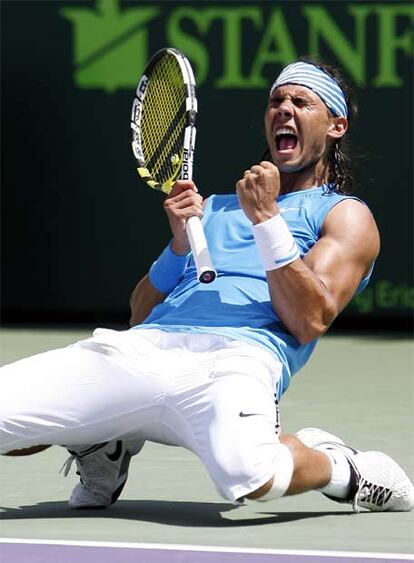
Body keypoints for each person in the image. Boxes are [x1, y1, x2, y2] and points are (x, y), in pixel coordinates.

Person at [1, 60, 413, 514]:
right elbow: (139, 314)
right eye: (276, 101)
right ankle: (104, 440)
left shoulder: (344, 215)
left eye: (301, 102)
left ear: (336, 125)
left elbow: (308, 319)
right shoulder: (213, 208)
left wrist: (267, 221)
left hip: (235, 361)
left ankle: (346, 470)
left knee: (250, 477)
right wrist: (179, 245)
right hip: (146, 351)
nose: (284, 110)